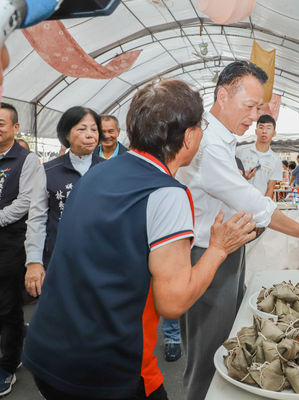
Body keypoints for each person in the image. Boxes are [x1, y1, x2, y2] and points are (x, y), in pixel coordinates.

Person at [22, 79, 257, 400]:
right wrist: (218, 249)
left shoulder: (97, 173)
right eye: (201, 125)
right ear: (189, 137)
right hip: (106, 368)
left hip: (47, 351)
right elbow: (172, 303)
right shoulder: (166, 193)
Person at [175, 61, 299, 400]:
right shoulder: (210, 144)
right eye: (249, 106)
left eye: (259, 108)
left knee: (229, 341)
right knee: (208, 353)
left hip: (226, 248)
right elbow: (256, 204)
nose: (255, 117)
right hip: (205, 254)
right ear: (222, 95)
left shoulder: (222, 139)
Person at [24, 106, 104, 298]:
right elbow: (37, 218)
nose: (90, 135)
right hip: (59, 260)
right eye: (82, 129)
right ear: (66, 134)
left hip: (100, 260)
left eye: (94, 129)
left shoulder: (109, 169)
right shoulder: (49, 171)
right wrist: (34, 261)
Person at [0, 102, 43, 396]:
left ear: (16, 128)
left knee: (8, 308)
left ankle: (8, 364)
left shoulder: (26, 160)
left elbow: (26, 202)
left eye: (2, 122)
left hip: (9, 246)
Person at [236, 114, 283, 198]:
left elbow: (270, 188)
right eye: (261, 127)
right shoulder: (239, 151)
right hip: (237, 202)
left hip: (259, 206)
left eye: (268, 128)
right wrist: (243, 176)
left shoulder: (276, 160)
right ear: (256, 131)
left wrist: (264, 208)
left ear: (274, 133)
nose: (264, 131)